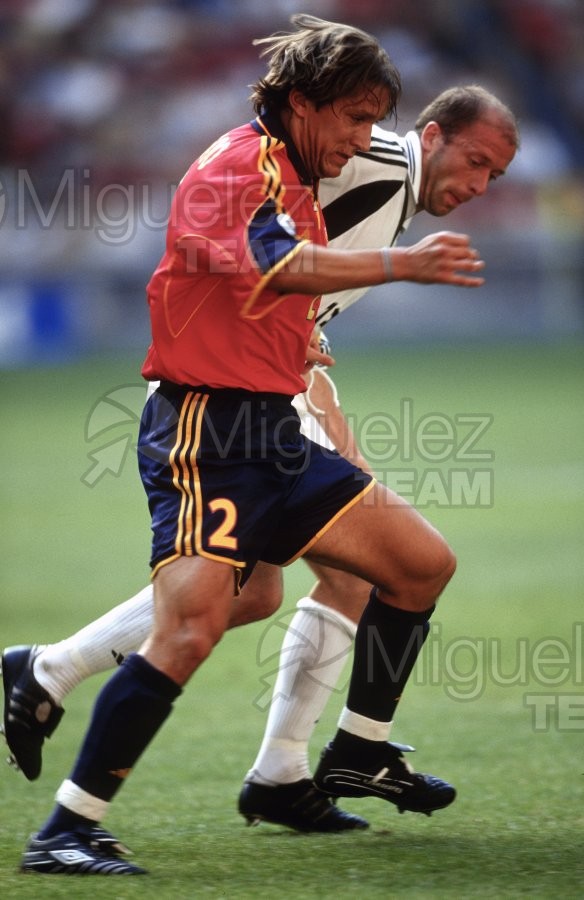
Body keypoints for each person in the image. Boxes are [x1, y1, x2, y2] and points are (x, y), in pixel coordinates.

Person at [8, 15, 512, 874]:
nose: (362, 139)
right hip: (208, 430)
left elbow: (273, 286)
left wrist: (303, 338)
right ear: (304, 102)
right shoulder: (237, 167)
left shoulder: (291, 168)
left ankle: (347, 752)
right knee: (193, 627)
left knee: (415, 563)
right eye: (355, 118)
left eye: (372, 121)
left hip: (273, 427)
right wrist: (402, 265)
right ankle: (66, 826)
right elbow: (278, 264)